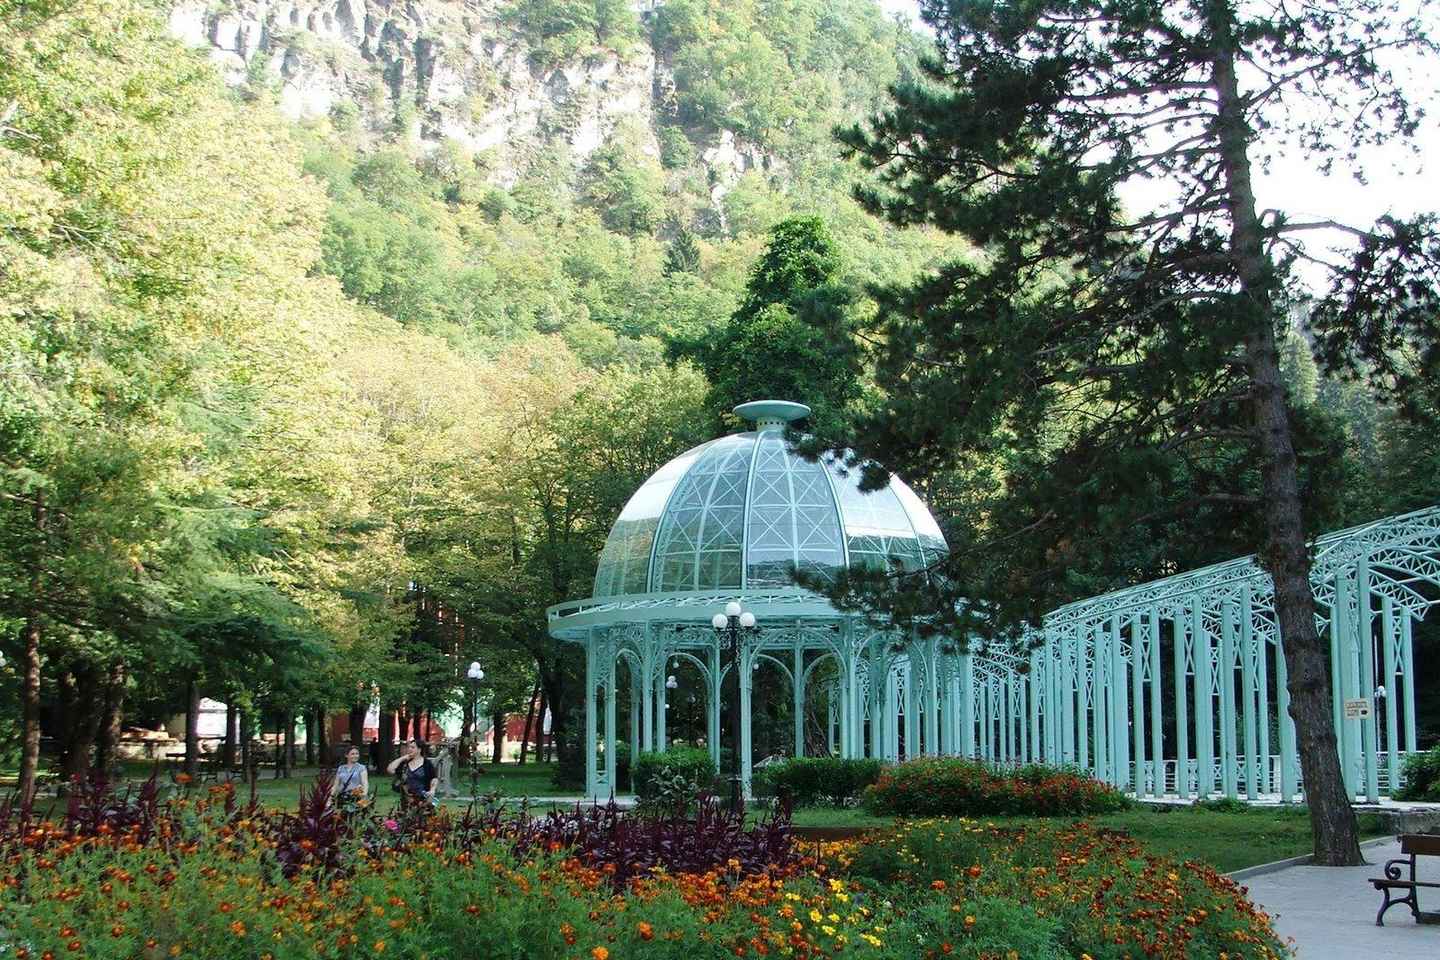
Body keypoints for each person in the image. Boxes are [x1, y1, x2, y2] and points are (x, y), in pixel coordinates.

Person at [386, 738, 438, 808]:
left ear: (419, 750)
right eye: (409, 747)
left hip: (423, 800)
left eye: (413, 747)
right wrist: (402, 758)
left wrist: (432, 790)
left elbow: (434, 778)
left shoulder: (427, 763)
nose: (409, 749)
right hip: (407, 801)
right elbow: (390, 770)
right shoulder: (405, 764)